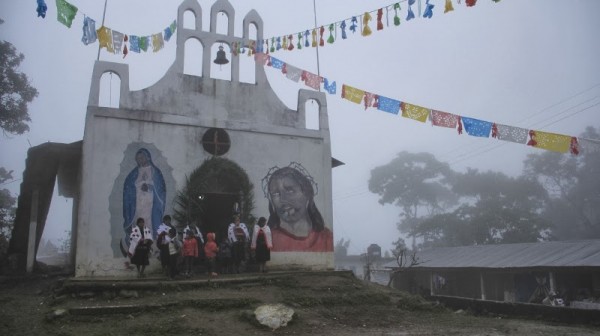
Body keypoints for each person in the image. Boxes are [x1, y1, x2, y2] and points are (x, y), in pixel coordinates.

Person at [262, 164, 333, 252]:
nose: (283, 199)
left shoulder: (326, 238)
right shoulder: (268, 238)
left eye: (290, 190)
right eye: (275, 194)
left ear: (307, 192)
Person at [122, 148, 166, 255]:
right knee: (138, 223)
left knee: (150, 223)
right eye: (137, 159)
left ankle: (152, 247)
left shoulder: (155, 172)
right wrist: (137, 187)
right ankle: (136, 247)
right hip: (137, 203)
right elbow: (127, 187)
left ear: (147, 157)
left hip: (151, 204)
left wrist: (150, 187)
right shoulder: (133, 173)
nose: (139, 160)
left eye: (141, 157)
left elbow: (161, 189)